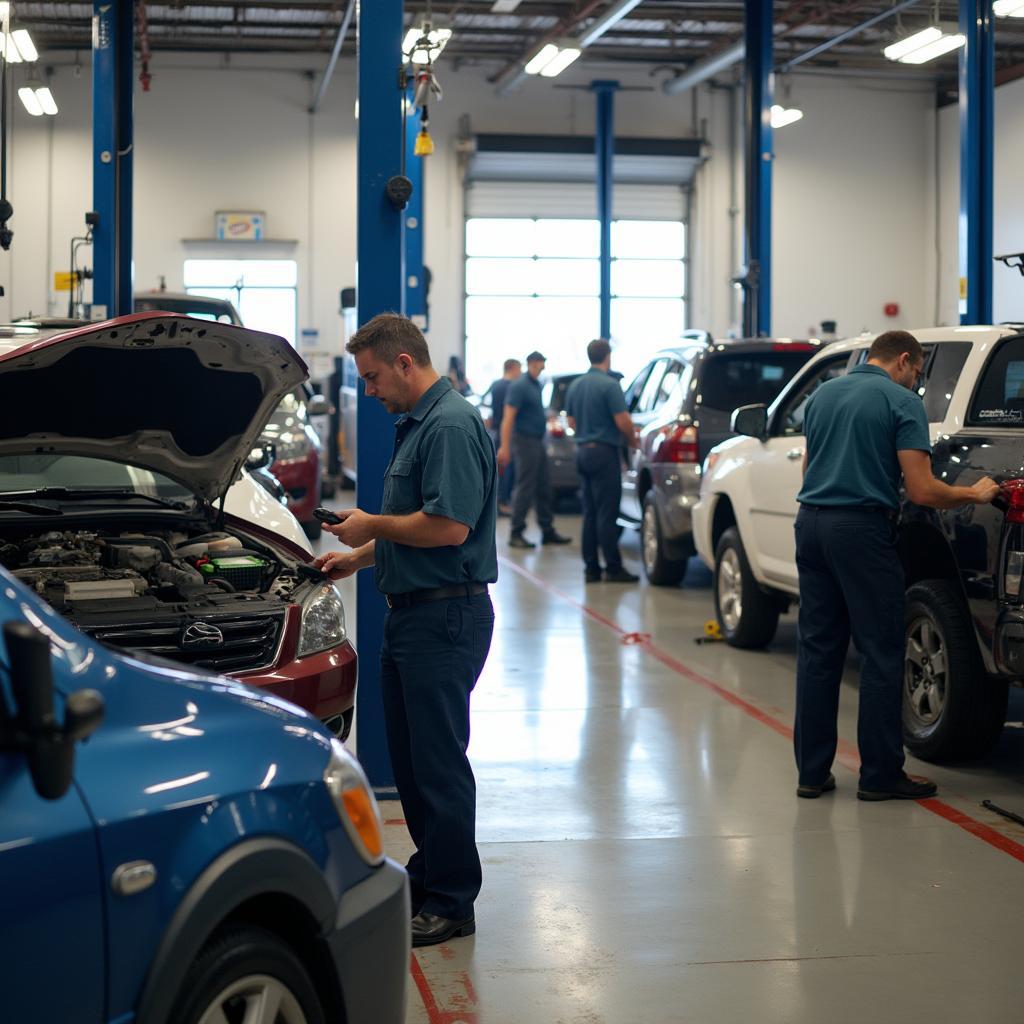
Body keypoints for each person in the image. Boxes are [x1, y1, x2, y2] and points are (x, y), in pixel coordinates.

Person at [313, 313, 497, 947]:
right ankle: (430, 875)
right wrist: (356, 556)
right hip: (413, 613)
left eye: (371, 378)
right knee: (415, 764)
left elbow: (448, 529)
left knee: (439, 765)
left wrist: (371, 526)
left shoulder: (448, 425)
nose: (368, 390)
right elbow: (411, 524)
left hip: (445, 617)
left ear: (403, 364)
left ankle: (453, 900)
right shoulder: (420, 424)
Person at [794, 329, 999, 802]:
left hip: (811, 525)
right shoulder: (900, 402)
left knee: (819, 651)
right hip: (861, 532)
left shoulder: (824, 395)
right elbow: (924, 491)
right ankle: (881, 774)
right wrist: (975, 492)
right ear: (904, 360)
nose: (917, 383)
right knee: (882, 652)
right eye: (918, 373)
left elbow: (809, 468)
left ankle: (811, 772)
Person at [565, 338, 639, 583]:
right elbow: (623, 421)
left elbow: (572, 423)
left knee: (590, 512)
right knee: (607, 512)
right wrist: (632, 441)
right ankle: (614, 567)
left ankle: (591, 568)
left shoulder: (576, 385)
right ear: (607, 356)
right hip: (604, 453)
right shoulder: (610, 385)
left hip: (582, 453)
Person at [497, 350, 571, 549]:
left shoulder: (536, 385)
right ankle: (516, 532)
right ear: (531, 363)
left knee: (544, 485)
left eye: (544, 363)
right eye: (540, 363)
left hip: (538, 441)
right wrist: (504, 446)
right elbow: (508, 417)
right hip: (524, 441)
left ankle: (547, 530)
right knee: (525, 486)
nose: (543, 367)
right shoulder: (519, 386)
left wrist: (548, 417)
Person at [486, 358, 521, 516]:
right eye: (519, 369)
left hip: (496, 431)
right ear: (513, 368)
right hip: (508, 433)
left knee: (499, 468)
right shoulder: (512, 387)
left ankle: (498, 501)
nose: (520, 373)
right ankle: (503, 502)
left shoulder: (495, 385)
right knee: (507, 469)